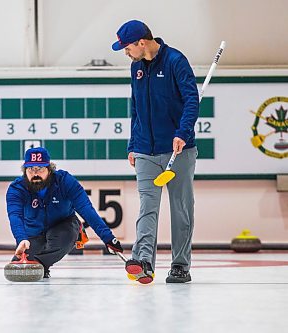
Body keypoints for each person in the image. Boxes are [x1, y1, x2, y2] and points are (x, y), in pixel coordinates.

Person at [111, 20, 199, 284]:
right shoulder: (136, 67)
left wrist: (182, 133)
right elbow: (135, 108)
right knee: (147, 207)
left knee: (181, 209)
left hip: (178, 150)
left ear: (142, 42)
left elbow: (192, 101)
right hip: (145, 152)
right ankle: (143, 261)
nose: (125, 52)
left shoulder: (175, 61)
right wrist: (132, 145)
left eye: (127, 47)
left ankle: (180, 265)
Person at [6, 147, 124, 278]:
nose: (35, 173)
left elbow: (86, 209)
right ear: (24, 171)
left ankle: (40, 264)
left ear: (50, 169)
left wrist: (108, 238)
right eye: (31, 169)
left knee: (62, 238)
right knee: (18, 264)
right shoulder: (16, 189)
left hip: (64, 226)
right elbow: (15, 216)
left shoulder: (65, 181)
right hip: (33, 231)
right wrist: (21, 238)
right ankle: (40, 265)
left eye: (40, 169)